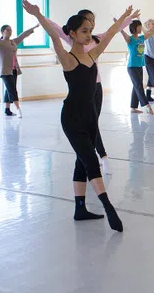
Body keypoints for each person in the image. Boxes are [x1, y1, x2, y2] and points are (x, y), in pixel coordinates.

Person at [22, 0, 129, 231]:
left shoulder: (92, 55)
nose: (89, 35)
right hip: (72, 119)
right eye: (84, 31)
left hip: (90, 117)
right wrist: (38, 15)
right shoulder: (68, 60)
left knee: (82, 161)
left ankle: (80, 209)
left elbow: (110, 34)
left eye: (90, 30)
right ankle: (108, 207)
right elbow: (53, 35)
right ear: (72, 33)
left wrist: (122, 17)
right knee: (91, 161)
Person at [45, 9, 136, 174]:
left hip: (96, 87)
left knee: (93, 124)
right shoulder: (72, 39)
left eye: (92, 22)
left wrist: (126, 18)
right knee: (87, 127)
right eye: (87, 22)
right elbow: (55, 30)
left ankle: (89, 160)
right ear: (75, 31)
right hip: (79, 92)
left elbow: (112, 31)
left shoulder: (96, 40)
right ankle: (99, 157)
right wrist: (38, 15)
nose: (91, 25)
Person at [0, 22, 39, 116]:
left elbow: (23, 35)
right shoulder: (0, 42)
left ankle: (7, 109)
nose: (9, 31)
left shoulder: (13, 42)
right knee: (12, 89)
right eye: (7, 30)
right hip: (5, 70)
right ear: (2, 32)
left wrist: (34, 27)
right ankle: (18, 109)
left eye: (10, 30)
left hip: (14, 70)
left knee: (9, 89)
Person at [118, 19, 154, 115]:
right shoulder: (130, 39)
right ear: (134, 28)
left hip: (139, 66)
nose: (140, 28)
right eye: (139, 26)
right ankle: (147, 106)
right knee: (139, 86)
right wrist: (119, 25)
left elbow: (153, 32)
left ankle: (133, 107)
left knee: (136, 87)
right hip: (132, 67)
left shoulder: (142, 38)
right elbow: (122, 32)